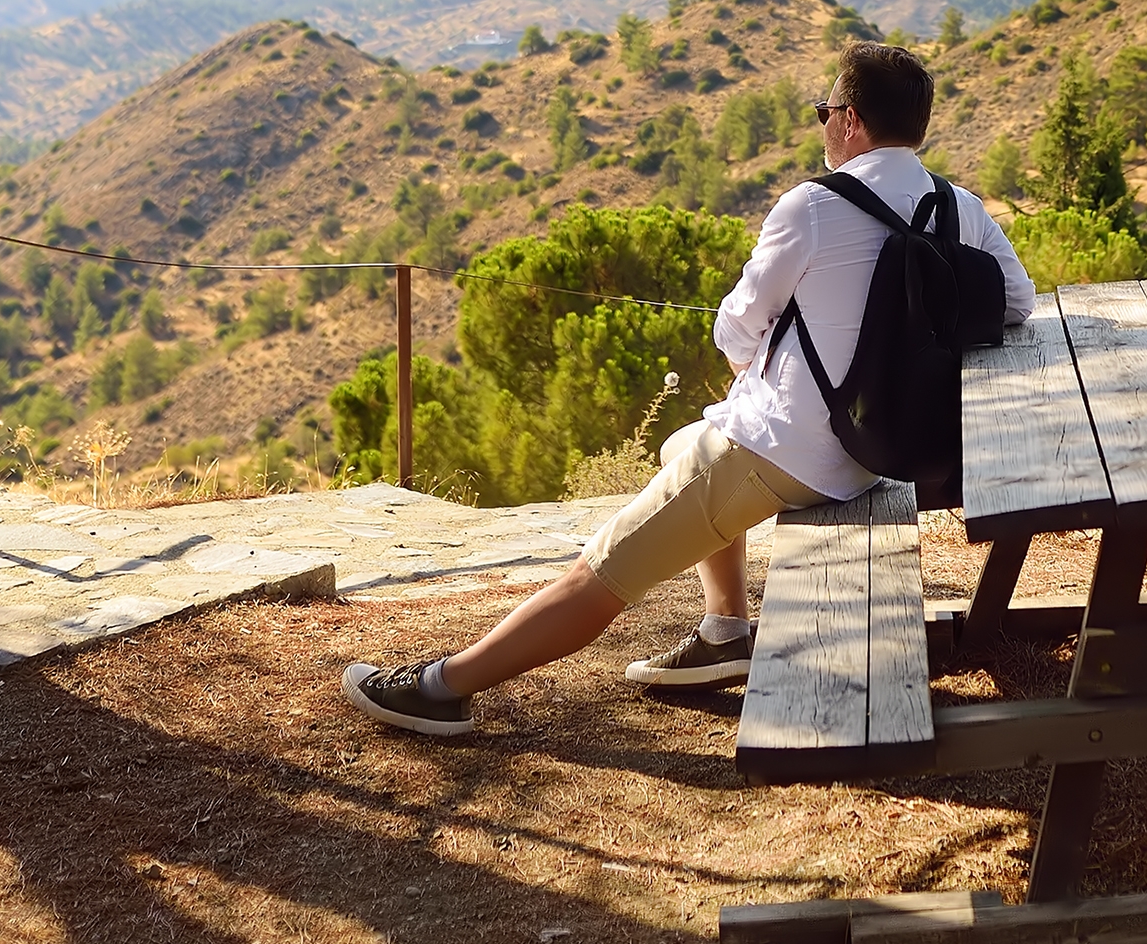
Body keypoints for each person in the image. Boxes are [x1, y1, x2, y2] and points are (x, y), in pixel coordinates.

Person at [340, 38, 1035, 736]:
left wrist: (774, 350)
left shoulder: (812, 206)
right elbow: (1015, 302)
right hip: (881, 446)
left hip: (788, 452)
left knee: (603, 570)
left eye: (824, 109)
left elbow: (736, 329)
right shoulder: (958, 206)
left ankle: (442, 688)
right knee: (683, 442)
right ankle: (725, 629)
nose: (823, 121)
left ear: (850, 120)